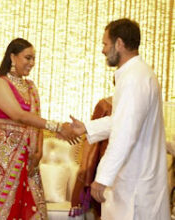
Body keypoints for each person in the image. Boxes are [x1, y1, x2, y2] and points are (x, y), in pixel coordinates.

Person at [0, 38, 75, 219]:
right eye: (27, 58)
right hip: (2, 154)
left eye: (33, 59)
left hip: (28, 156)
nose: (31, 63)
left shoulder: (30, 87)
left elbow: (34, 120)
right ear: (12, 57)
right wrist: (57, 127)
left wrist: (38, 151)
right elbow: (18, 115)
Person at [70, 18, 170, 220]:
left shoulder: (134, 78)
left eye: (105, 44)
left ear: (120, 44)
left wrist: (102, 177)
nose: (103, 50)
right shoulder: (136, 73)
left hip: (136, 186)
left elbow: (125, 131)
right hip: (136, 180)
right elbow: (124, 120)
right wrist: (87, 127)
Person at [69, 97, 112, 219]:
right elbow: (92, 139)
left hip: (128, 167)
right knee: (102, 209)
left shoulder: (136, 102)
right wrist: (87, 167)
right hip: (103, 161)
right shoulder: (105, 104)